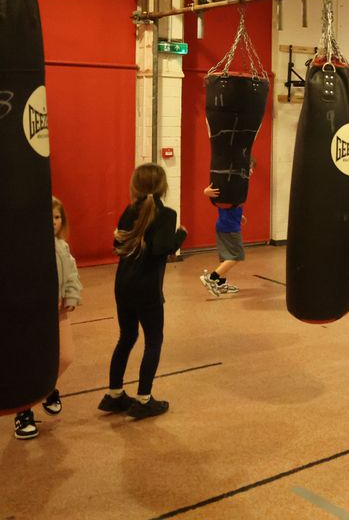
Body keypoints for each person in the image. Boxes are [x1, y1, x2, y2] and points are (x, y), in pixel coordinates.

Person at [101, 163, 188, 419]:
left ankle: (115, 394)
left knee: (126, 337)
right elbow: (161, 248)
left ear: (135, 186)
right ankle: (144, 399)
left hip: (123, 286)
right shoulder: (167, 214)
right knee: (153, 341)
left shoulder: (129, 211)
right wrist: (180, 236)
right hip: (147, 288)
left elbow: (116, 243)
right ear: (163, 187)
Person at [14, 197, 83, 440]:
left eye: (57, 217)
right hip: (34, 315)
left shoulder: (62, 246)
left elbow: (72, 274)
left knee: (66, 356)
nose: (53, 222)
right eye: (49, 217)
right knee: (30, 363)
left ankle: (47, 388)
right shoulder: (26, 247)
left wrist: (72, 296)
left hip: (59, 312)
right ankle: (23, 412)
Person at [199, 158, 254, 297]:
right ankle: (211, 278)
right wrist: (206, 191)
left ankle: (221, 284)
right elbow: (211, 191)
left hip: (225, 223)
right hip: (229, 227)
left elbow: (231, 205)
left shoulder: (238, 185)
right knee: (236, 256)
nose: (251, 171)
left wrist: (239, 216)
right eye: (249, 168)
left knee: (226, 257)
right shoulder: (231, 182)